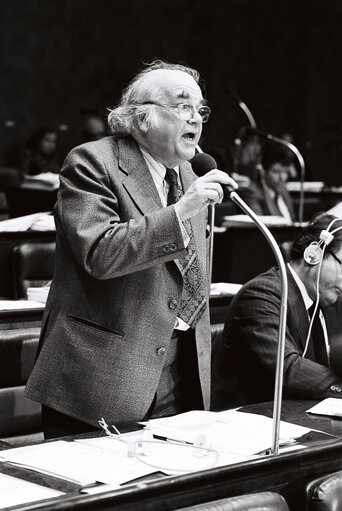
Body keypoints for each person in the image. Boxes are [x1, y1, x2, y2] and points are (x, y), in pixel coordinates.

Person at [25, 60, 236, 438]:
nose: (196, 118)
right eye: (182, 105)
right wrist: (181, 211)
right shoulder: (92, 162)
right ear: (142, 118)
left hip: (180, 372)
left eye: (201, 109)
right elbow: (100, 253)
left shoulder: (191, 174)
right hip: (99, 380)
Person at [211, 214, 342, 410]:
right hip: (252, 423)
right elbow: (287, 368)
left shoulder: (330, 298)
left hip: (304, 418)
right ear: (314, 253)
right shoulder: (261, 294)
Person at [239, 142, 297, 222]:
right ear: (263, 171)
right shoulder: (252, 193)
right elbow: (257, 228)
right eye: (276, 172)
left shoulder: (283, 190)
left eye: (285, 172)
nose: (282, 177)